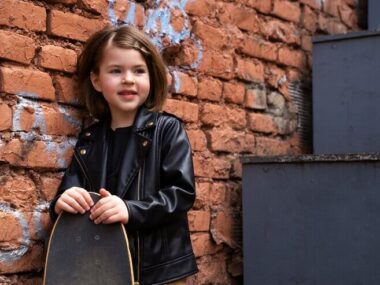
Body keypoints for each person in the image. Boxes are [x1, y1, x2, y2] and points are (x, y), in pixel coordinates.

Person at [49, 25, 198, 285]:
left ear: (151, 78)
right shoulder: (89, 140)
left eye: (138, 71)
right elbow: (68, 198)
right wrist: (62, 203)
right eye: (116, 71)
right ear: (96, 81)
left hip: (158, 273)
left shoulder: (167, 130)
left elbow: (181, 193)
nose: (128, 79)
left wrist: (130, 209)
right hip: (102, 270)